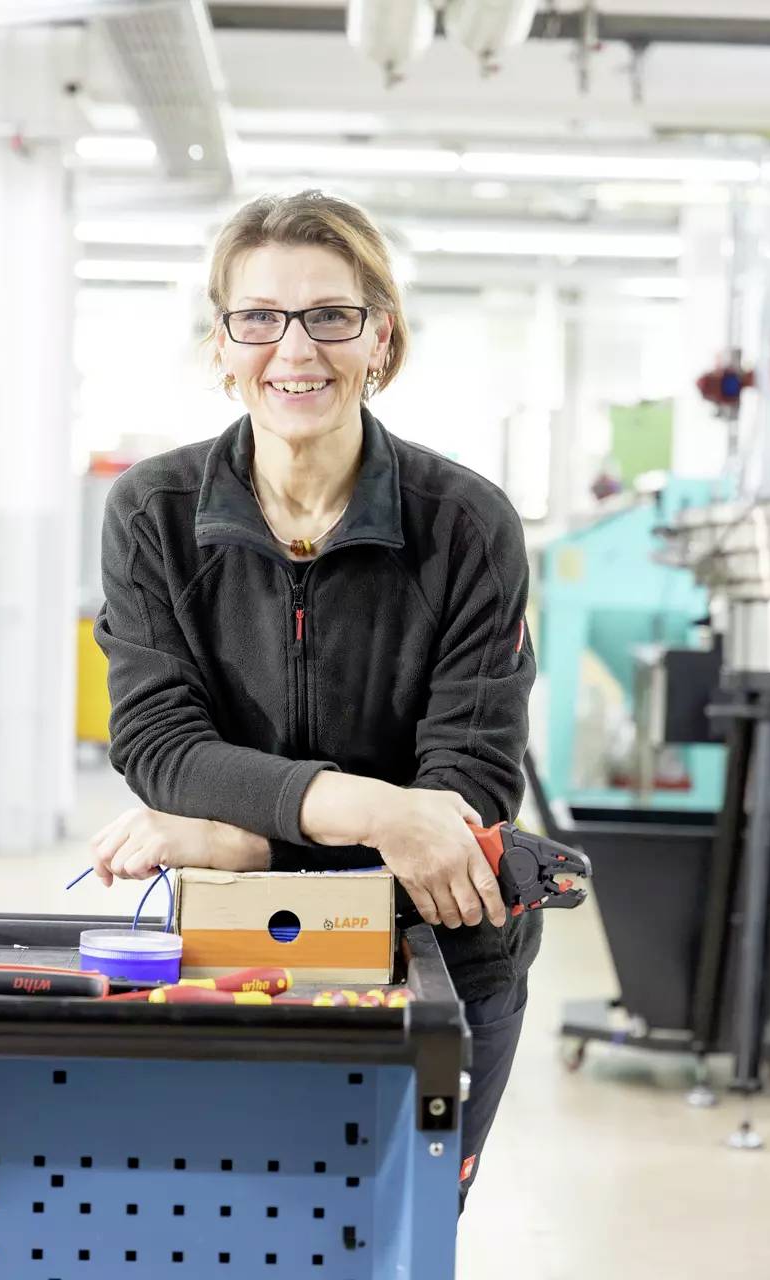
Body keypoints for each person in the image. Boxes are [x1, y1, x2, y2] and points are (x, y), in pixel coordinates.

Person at [90, 189, 539, 1212]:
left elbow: (461, 792)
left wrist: (239, 835)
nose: (294, 348)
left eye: (330, 315)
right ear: (223, 341)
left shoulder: (465, 524)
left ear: (380, 335)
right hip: (238, 939)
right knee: (236, 1230)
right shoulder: (153, 514)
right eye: (260, 317)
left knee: (395, 1237)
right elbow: (160, 741)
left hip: (437, 955)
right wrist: (377, 813)